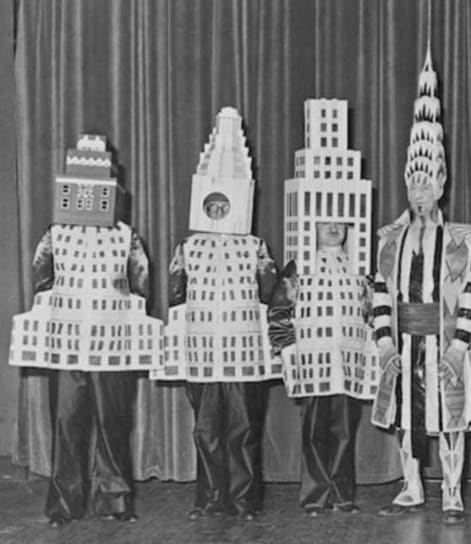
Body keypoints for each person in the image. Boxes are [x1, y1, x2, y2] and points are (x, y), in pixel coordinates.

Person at [9, 134, 162, 527]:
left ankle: (115, 501)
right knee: (67, 424)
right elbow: (42, 283)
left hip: (112, 347)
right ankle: (64, 503)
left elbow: (140, 288)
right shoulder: (56, 235)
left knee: (113, 424)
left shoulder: (127, 237)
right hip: (68, 347)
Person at [371, 49, 471, 526]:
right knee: (408, 417)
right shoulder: (391, 239)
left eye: (427, 183)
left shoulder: (459, 239)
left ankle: (454, 489)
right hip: (404, 336)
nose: (419, 192)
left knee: (447, 417)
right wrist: (382, 343)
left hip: (442, 337)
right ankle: (411, 484)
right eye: (412, 183)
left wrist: (459, 347)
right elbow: (380, 292)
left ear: (441, 182)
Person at [155, 107, 278, 521]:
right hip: (203, 352)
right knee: (207, 430)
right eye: (216, 203)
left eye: (229, 203)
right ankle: (210, 497)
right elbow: (175, 296)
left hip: (244, 354)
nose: (222, 210)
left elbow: (268, 292)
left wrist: (268, 272)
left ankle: (244, 499)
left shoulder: (255, 246)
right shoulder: (188, 248)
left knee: (243, 430)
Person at [269, 221, 371, 516]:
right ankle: (315, 496)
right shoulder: (298, 266)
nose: (333, 228)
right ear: (312, 226)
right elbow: (278, 311)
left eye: (339, 223)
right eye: (325, 223)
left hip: (348, 362)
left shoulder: (359, 265)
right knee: (314, 430)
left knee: (344, 431)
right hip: (313, 362)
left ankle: (342, 495)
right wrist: (287, 348)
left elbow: (370, 310)